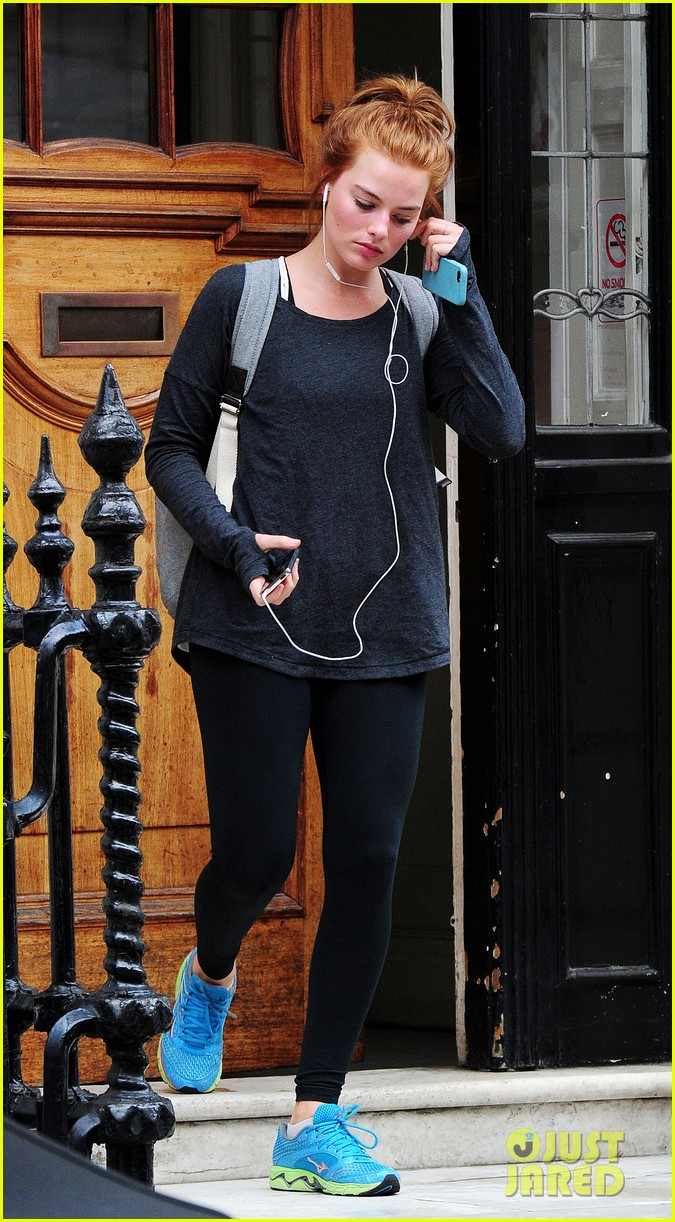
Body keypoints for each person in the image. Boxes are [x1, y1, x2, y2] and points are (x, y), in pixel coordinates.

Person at [144, 74, 525, 1197]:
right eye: (365, 203)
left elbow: (500, 428)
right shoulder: (243, 298)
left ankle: (314, 1117)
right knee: (258, 853)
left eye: (405, 216)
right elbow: (168, 449)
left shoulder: (420, 315)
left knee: (367, 860)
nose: (379, 231)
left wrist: (459, 288)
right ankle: (211, 973)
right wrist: (232, 544)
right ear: (326, 182)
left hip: (388, 625)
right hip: (253, 619)